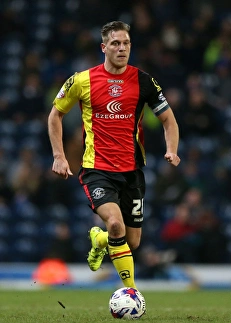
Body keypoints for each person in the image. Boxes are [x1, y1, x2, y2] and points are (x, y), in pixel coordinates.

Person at [48, 21, 180, 289]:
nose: (122, 48)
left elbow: (169, 120)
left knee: (132, 242)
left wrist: (172, 149)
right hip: (97, 170)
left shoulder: (144, 81)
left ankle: (100, 240)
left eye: (126, 43)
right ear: (103, 47)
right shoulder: (82, 80)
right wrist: (59, 156)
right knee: (116, 225)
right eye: (116, 43)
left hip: (132, 172)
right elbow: (55, 115)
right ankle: (130, 292)